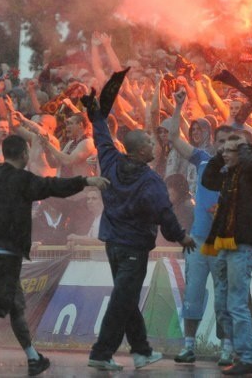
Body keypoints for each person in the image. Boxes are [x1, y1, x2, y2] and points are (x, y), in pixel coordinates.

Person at [0, 134, 110, 377]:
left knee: (16, 307)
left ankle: (34, 358)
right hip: (7, 253)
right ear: (24, 155)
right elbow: (54, 187)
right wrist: (87, 180)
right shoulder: (24, 180)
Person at [82, 71, 195, 372]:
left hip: (113, 244)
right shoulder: (151, 181)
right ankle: (101, 352)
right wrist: (182, 237)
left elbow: (103, 138)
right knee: (123, 299)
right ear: (142, 151)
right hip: (132, 247)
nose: (153, 143)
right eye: (149, 141)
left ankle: (142, 351)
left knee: (126, 296)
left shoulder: (110, 161)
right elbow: (165, 215)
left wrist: (95, 117)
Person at [166, 88, 235, 366]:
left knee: (224, 298)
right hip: (197, 239)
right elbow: (173, 137)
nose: (221, 146)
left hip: (224, 243)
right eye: (219, 141)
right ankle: (189, 346)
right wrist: (178, 107)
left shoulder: (241, 169)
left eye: (226, 142)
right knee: (192, 294)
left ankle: (227, 348)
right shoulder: (203, 160)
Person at [201, 134, 252, 376]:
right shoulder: (227, 175)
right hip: (224, 245)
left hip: (242, 245)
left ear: (242, 153)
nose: (224, 154)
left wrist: (244, 147)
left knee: (237, 303)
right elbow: (207, 179)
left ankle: (248, 356)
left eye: (230, 151)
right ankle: (248, 352)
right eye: (222, 150)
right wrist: (221, 156)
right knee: (222, 305)